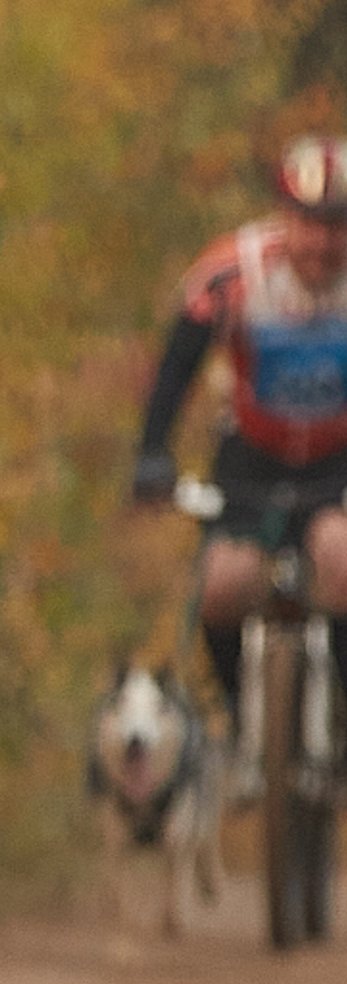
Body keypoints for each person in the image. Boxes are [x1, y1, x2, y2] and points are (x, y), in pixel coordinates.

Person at [132, 134, 347, 727]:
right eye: (311, 224)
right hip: (252, 458)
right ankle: (239, 714)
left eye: (338, 227)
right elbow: (176, 369)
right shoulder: (235, 273)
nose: (324, 244)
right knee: (224, 586)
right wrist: (153, 452)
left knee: (341, 562)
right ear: (285, 218)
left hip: (337, 462)